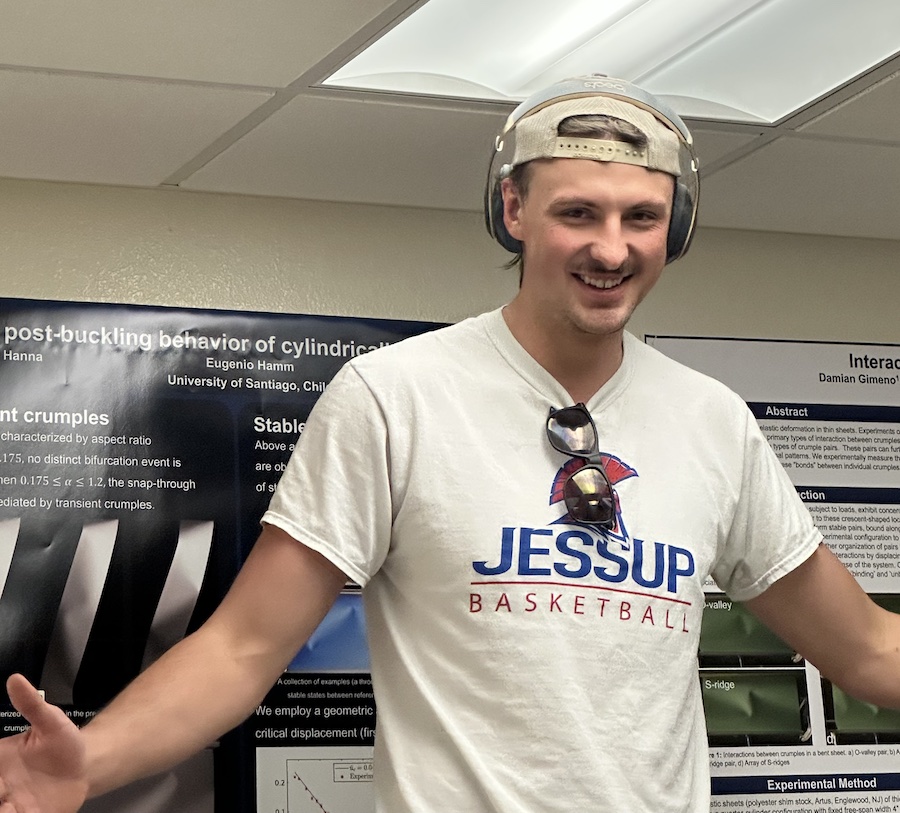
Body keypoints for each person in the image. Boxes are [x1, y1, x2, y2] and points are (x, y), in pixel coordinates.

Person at [1, 74, 899, 813]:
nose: (612, 248)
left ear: (679, 228)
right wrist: (93, 760)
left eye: (642, 218)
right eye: (578, 213)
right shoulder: (397, 396)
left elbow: (864, 649)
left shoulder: (714, 423)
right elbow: (244, 645)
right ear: (513, 209)